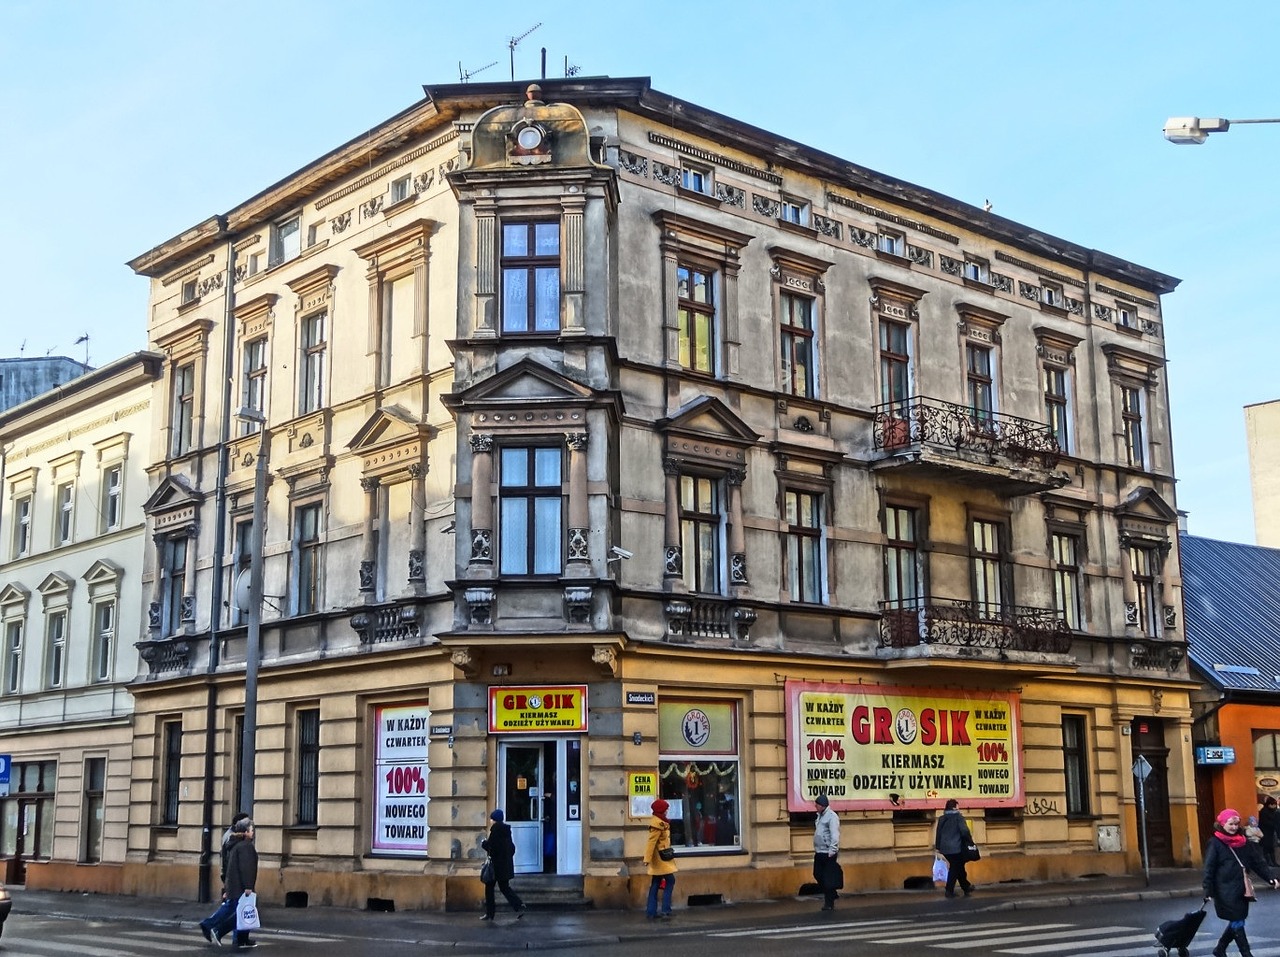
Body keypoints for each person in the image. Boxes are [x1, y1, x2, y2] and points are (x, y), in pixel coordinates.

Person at [1203, 807, 1278, 957]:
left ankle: (1220, 948)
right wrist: (1208, 890)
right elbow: (1209, 868)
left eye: (1236, 824)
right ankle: (1246, 953)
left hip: (1242, 888)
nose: (1234, 827)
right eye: (1230, 824)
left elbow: (1258, 862)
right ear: (1222, 824)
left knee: (1238, 920)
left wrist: (1271, 878)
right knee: (1237, 920)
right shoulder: (1215, 843)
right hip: (1224, 890)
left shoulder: (1244, 842)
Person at [199, 812, 251, 944]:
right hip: (233, 879)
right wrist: (227, 882)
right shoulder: (231, 838)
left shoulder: (234, 837)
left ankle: (236, 937)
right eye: (247, 823)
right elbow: (229, 861)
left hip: (232, 879)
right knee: (234, 908)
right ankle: (212, 926)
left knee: (235, 908)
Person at [480, 809, 525, 921]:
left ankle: (490, 913)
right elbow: (512, 848)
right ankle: (519, 906)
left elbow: (492, 848)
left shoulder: (495, 831)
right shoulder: (506, 831)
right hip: (505, 865)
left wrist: (484, 843)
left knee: (489, 889)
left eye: (491, 818)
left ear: (494, 820)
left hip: (495, 867)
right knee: (505, 888)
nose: (490, 821)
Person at [934, 798, 976, 898]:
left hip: (945, 849)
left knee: (959, 867)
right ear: (954, 808)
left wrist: (938, 847)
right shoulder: (958, 818)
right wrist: (970, 842)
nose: (959, 809)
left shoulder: (942, 818)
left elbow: (938, 833)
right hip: (956, 848)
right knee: (954, 868)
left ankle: (966, 887)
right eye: (958, 807)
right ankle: (949, 890)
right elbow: (965, 831)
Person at [643, 797, 677, 918]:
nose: (667, 811)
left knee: (656, 883)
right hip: (661, 858)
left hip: (661, 857)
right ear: (661, 810)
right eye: (666, 809)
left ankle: (651, 912)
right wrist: (647, 859)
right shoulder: (657, 824)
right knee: (670, 880)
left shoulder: (662, 821)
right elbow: (651, 843)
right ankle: (665, 909)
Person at [812, 793, 841, 911]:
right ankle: (832, 893)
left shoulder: (831, 816)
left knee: (828, 879)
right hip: (819, 851)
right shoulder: (819, 816)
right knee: (817, 874)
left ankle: (829, 903)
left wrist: (832, 850)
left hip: (828, 852)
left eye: (817, 804)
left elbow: (835, 834)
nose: (815, 806)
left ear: (823, 805)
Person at [1258, 797, 1279, 866]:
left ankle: (1272, 862)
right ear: (1269, 804)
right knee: (1267, 848)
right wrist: (1274, 824)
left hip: (1270, 832)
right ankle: (1269, 862)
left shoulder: (1271, 811)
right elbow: (1265, 822)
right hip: (1265, 832)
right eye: (1273, 804)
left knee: (1270, 847)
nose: (1275, 806)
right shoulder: (1264, 812)